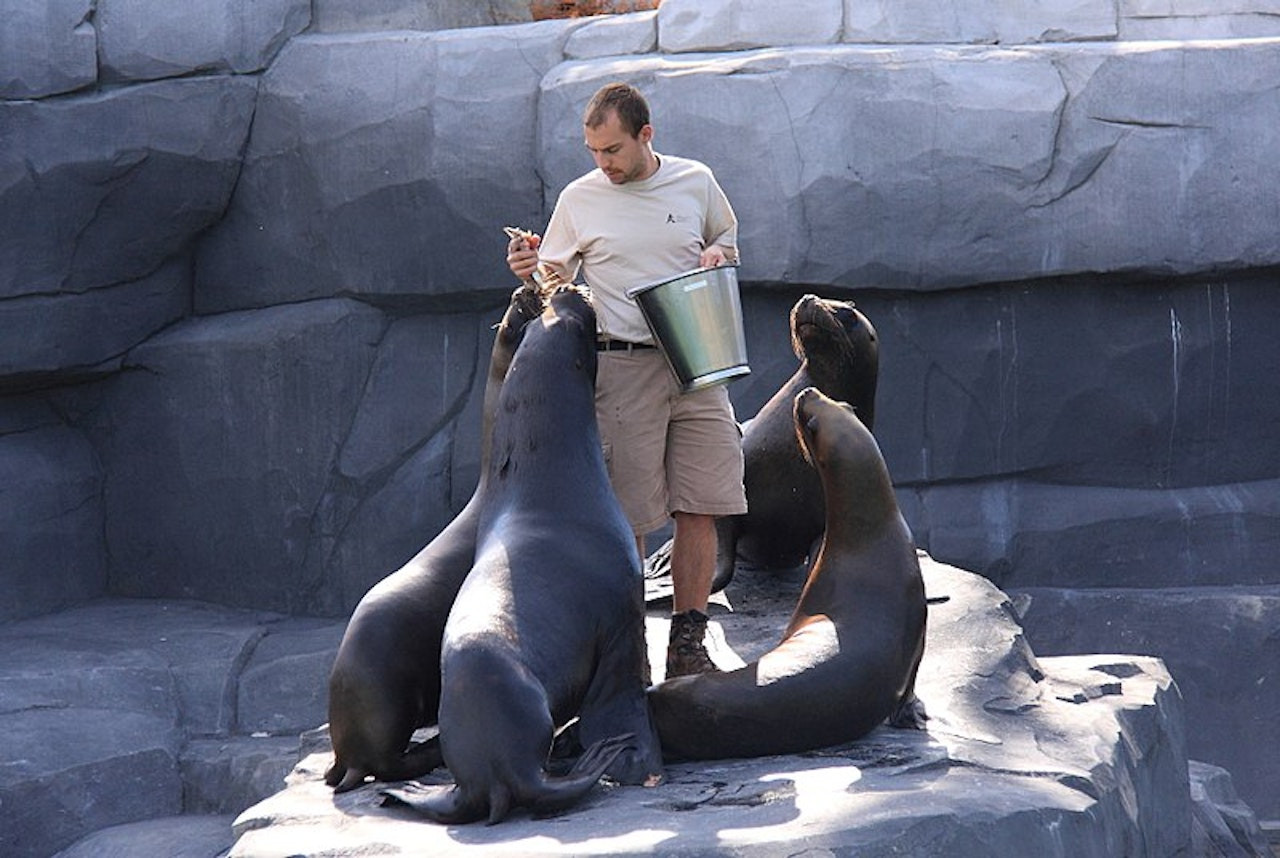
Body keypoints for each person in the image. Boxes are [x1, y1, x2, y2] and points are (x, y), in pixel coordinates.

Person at [505, 82, 746, 678]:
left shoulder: (695, 180)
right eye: (593, 151)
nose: (603, 163)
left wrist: (718, 255)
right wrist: (531, 270)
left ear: (646, 135)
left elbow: (725, 239)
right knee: (628, 517)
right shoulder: (581, 199)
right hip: (623, 365)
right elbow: (552, 282)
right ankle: (627, 651)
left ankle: (688, 644)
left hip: (698, 358)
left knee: (701, 503)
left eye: (612, 149)